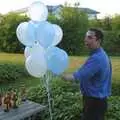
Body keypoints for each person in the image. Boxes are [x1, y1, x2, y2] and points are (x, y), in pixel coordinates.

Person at [61, 28, 112, 120]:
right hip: (99, 101)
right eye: (86, 37)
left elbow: (76, 77)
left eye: (89, 37)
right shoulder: (102, 54)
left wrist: (60, 74)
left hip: (94, 103)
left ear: (99, 40)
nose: (85, 40)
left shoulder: (97, 58)